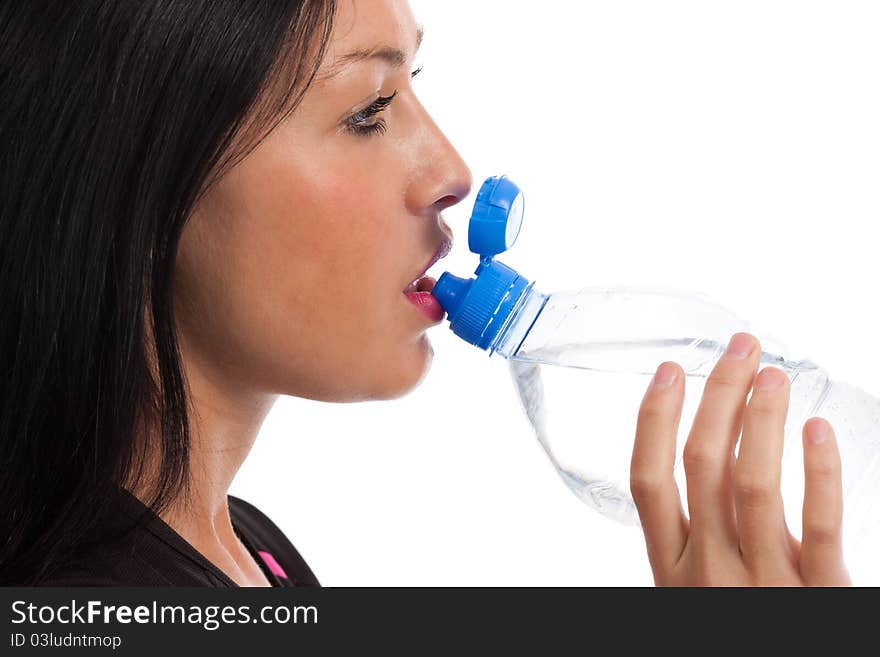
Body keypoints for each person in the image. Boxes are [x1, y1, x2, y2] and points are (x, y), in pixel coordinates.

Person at [0, 0, 849, 587]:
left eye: (415, 85)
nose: (451, 172)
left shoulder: (245, 551)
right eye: (369, 110)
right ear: (141, 183)